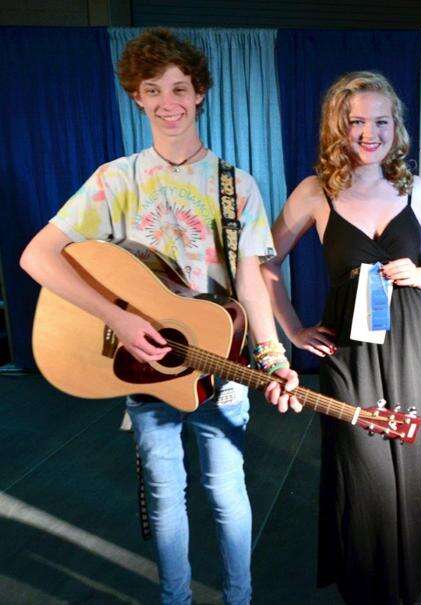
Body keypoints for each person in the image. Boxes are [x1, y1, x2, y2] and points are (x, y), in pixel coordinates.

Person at [19, 28, 299, 605]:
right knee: (166, 495)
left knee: (227, 490)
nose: (167, 102)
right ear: (137, 97)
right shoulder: (115, 179)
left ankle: (239, 598)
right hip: (144, 364)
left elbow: (251, 282)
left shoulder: (235, 186)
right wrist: (116, 318)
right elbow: (36, 256)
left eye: (178, 88)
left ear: (199, 94)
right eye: (153, 89)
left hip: (220, 364)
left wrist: (272, 357)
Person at [261, 71, 421, 605]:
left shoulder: (418, 190)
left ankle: (409, 581)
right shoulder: (315, 191)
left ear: (396, 127)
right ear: (338, 128)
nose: (371, 133)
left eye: (381, 122)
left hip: (411, 344)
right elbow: (265, 262)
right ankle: (368, 584)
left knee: (415, 460)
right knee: (363, 466)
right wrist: (293, 329)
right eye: (358, 122)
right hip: (349, 352)